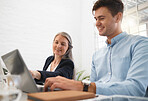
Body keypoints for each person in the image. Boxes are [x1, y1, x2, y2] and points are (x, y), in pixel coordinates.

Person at [43, 0, 148, 97]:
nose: (97, 23)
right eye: (96, 19)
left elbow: (136, 89)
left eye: (101, 18)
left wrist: (82, 86)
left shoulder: (140, 45)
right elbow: (92, 93)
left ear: (117, 17)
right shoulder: (97, 55)